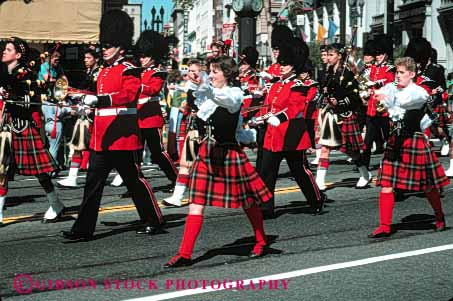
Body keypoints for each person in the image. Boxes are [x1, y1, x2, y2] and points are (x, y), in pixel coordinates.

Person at [62, 10, 164, 241]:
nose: (104, 49)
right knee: (92, 184)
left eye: (108, 45)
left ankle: (154, 219)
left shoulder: (129, 68)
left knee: (134, 181)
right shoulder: (104, 71)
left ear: (119, 46)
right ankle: (83, 229)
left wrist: (99, 100)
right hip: (102, 136)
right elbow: (95, 96)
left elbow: (128, 95)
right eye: (103, 45)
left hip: (122, 136)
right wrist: (77, 99)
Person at [164, 56, 272, 268]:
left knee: (248, 201)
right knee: (196, 204)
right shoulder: (206, 94)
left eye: (215, 72)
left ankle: (261, 240)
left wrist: (205, 87)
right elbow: (189, 100)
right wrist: (194, 83)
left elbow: (224, 100)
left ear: (227, 74)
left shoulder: (234, 94)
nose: (211, 75)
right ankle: (184, 253)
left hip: (229, 152)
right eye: (210, 72)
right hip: (207, 152)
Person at [369, 57, 449, 238]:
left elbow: (404, 101)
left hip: (414, 139)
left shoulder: (418, 92)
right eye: (397, 72)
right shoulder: (392, 87)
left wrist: (385, 98)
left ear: (412, 74)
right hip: (395, 140)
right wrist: (373, 92)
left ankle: (439, 217)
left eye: (402, 73)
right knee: (386, 184)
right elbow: (382, 96)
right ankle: (384, 226)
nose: (398, 76)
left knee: (428, 186)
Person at [254, 38, 326, 220]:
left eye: (286, 65)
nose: (282, 67)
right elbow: (268, 106)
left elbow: (296, 108)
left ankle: (316, 199)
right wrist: (259, 119)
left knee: (299, 171)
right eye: (281, 64)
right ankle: (266, 208)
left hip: (292, 135)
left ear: (294, 67)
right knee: (267, 172)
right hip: (273, 135)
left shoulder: (299, 86)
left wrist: (278, 118)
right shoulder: (276, 85)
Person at [0, 37, 66, 226]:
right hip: (7, 126)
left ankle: (56, 203)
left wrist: (12, 95)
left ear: (18, 55)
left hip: (23, 126)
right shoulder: (5, 72)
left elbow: (30, 100)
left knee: (39, 171)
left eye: (9, 49)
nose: (4, 51)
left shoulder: (28, 74)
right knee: (1, 168)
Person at [315, 43, 372, 190]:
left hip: (344, 114)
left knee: (350, 150)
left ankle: (365, 174)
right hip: (330, 114)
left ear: (339, 56)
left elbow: (355, 97)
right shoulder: (326, 73)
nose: (328, 58)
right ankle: (319, 180)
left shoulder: (347, 74)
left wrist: (339, 101)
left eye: (331, 55)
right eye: (327, 55)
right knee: (326, 147)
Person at [57, 48, 100, 188]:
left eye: (88, 58)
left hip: (95, 115)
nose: (85, 60)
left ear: (96, 59)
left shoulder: (100, 73)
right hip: (85, 114)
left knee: (101, 149)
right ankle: (72, 177)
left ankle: (120, 174)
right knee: (77, 145)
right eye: (85, 58)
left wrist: (82, 96)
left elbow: (96, 93)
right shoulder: (87, 73)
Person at [362, 35, 394, 168]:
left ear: (386, 55)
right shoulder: (372, 69)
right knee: (367, 141)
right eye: (377, 54)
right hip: (372, 109)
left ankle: (393, 163)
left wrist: (375, 84)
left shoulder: (390, 69)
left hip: (385, 109)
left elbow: (391, 83)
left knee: (389, 139)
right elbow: (365, 84)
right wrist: (365, 91)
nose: (378, 56)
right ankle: (364, 167)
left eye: (381, 53)